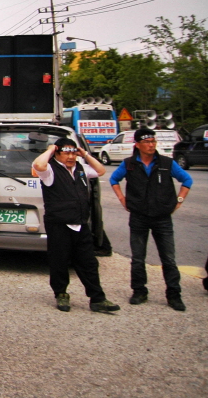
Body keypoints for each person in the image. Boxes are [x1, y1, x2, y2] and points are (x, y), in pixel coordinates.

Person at [108, 126, 193, 311]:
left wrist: (179, 200)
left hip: (162, 218)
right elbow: (114, 180)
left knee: (168, 259)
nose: (151, 145)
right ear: (137, 145)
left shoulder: (166, 163)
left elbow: (187, 180)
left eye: (153, 141)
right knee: (138, 258)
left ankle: (174, 294)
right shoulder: (129, 164)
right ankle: (139, 291)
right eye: (147, 142)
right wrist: (122, 199)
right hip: (138, 217)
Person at [32, 138, 120, 313]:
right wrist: (50, 150)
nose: (71, 157)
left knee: (89, 262)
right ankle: (61, 293)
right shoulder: (50, 170)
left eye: (73, 153)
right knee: (59, 261)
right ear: (57, 153)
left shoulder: (81, 169)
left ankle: (97, 299)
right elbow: (38, 165)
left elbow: (100, 170)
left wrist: (85, 154)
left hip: (80, 223)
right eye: (66, 153)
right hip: (59, 223)